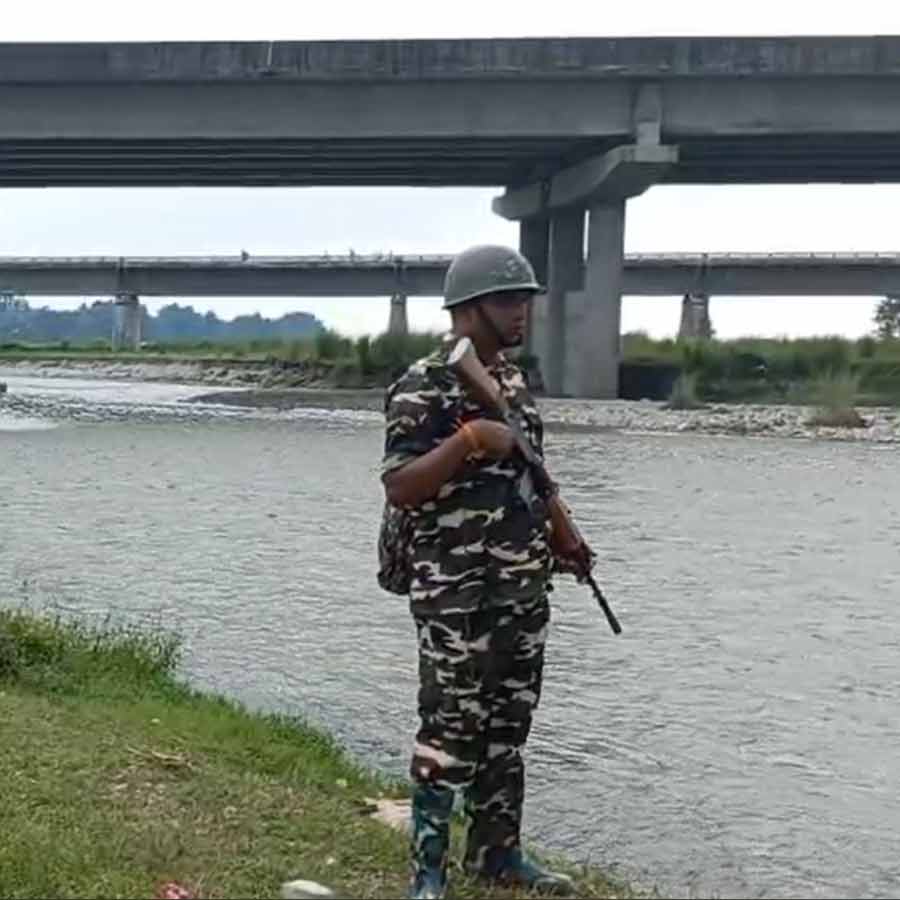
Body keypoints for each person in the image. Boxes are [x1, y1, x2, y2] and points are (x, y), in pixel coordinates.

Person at [380, 244, 575, 899]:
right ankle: (428, 875)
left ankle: (497, 856)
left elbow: (533, 473)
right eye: (508, 299)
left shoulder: (512, 382)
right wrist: (466, 442)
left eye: (525, 299)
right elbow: (400, 487)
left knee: (507, 730)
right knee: (448, 730)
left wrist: (565, 534)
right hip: (454, 592)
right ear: (468, 308)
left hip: (522, 585)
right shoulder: (423, 384)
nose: (522, 311)